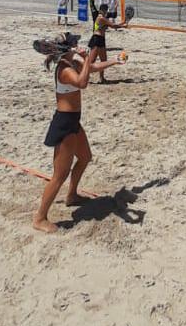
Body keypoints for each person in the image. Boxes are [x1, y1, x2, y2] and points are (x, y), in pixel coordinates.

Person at [34, 42, 124, 233]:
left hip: (74, 120)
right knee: (59, 175)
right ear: (64, 50)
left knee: (85, 158)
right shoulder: (64, 69)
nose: (76, 45)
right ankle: (40, 218)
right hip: (64, 123)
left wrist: (115, 61)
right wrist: (86, 56)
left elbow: (91, 68)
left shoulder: (71, 61)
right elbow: (83, 83)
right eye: (73, 44)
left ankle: (72, 196)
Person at [88, 4, 125, 83]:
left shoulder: (103, 18)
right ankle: (83, 75)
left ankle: (102, 78)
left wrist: (123, 23)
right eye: (105, 10)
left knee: (104, 60)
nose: (106, 12)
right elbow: (113, 25)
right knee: (91, 61)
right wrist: (123, 25)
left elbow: (112, 24)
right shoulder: (101, 18)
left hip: (101, 39)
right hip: (96, 39)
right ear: (101, 10)